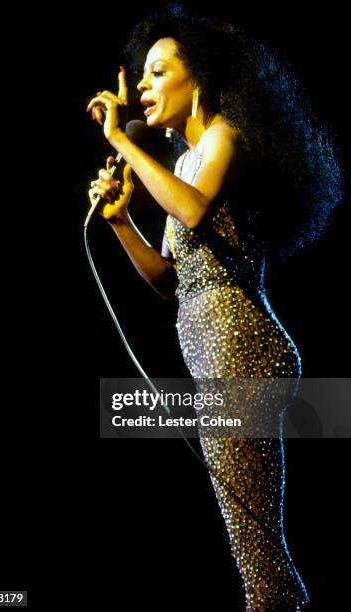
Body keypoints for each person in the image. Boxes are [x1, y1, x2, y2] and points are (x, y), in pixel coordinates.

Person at [86, 5, 343, 610]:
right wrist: (121, 220)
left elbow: (194, 210)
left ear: (196, 77)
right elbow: (172, 280)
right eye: (141, 76)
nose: (142, 86)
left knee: (257, 554)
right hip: (214, 349)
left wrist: (122, 137)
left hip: (241, 347)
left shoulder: (225, 134)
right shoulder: (181, 163)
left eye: (156, 72)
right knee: (251, 546)